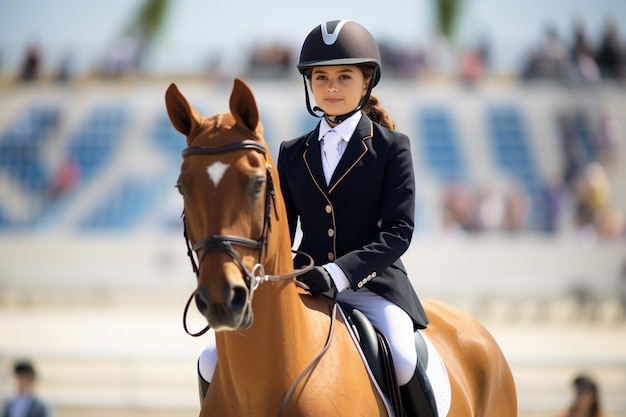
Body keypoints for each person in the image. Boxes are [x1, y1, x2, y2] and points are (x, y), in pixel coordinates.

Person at [277, 20, 434, 416]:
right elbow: (282, 230)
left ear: (367, 83)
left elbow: (398, 232)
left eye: (344, 76)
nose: (331, 87)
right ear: (309, 83)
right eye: (321, 77)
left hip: (373, 288)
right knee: (212, 357)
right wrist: (291, 267)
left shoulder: (392, 147)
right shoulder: (291, 152)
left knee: (402, 356)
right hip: (306, 285)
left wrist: (337, 274)